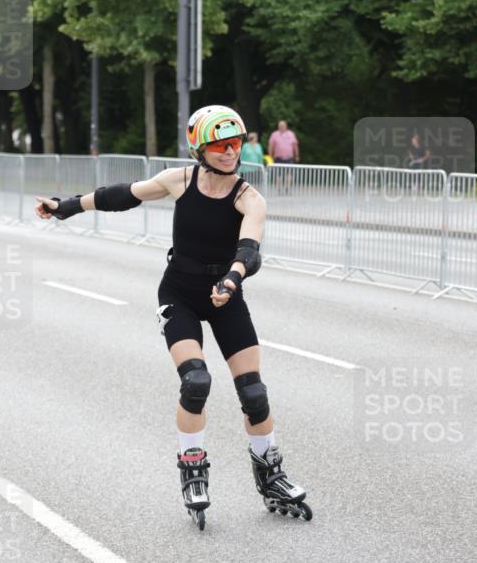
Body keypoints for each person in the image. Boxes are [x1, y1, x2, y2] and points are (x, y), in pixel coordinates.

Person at [35, 104, 311, 530]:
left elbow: (249, 250)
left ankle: (270, 474)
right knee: (196, 381)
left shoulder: (249, 199)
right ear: (199, 149)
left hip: (226, 295)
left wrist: (232, 279)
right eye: (220, 145)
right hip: (179, 294)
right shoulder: (179, 180)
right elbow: (122, 195)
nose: (230, 152)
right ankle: (193, 468)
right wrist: (66, 206)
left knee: (254, 393)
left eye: (235, 143)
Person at [268, 119, 299, 192]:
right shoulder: (274, 134)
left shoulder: (291, 134)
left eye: (283, 125)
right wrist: (270, 155)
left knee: (289, 173)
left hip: (289, 157)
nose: (281, 127)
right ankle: (279, 189)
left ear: (286, 126)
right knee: (278, 174)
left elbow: (295, 145)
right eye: (280, 125)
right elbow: (271, 146)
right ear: (278, 126)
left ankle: (287, 188)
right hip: (278, 157)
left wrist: (297, 155)